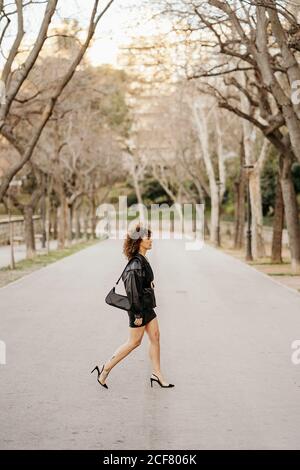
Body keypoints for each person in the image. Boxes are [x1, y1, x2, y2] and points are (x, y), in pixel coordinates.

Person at [91, 224, 174, 389]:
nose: (151, 240)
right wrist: (137, 315)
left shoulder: (142, 260)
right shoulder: (135, 265)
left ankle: (157, 373)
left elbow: (141, 283)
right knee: (134, 342)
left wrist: (149, 284)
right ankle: (104, 369)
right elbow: (133, 293)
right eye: (147, 237)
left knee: (155, 337)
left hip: (147, 306)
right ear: (139, 241)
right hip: (138, 309)